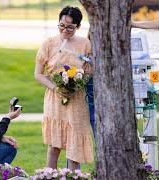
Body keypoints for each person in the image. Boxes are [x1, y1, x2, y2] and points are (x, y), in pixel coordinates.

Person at [34, 6, 94, 170]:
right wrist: (56, 87)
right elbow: (38, 74)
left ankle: (74, 175)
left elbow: (89, 71)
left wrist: (77, 83)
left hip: (77, 99)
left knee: (75, 144)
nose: (65, 30)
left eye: (70, 27)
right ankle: (49, 174)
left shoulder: (85, 44)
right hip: (55, 97)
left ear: (78, 26)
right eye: (61, 25)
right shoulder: (49, 43)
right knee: (54, 144)